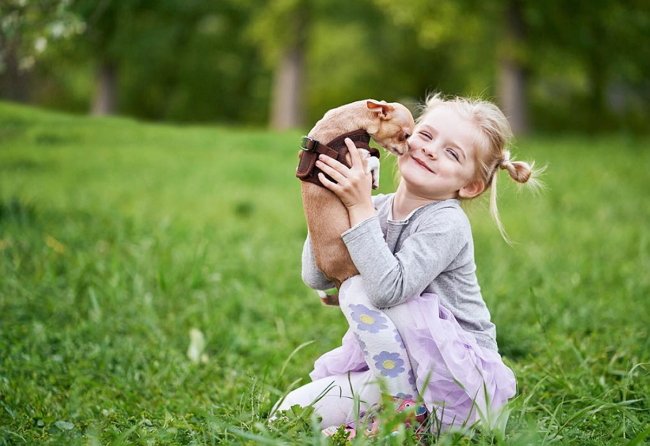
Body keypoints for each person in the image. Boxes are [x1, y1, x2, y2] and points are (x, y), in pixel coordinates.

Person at [272, 93, 538, 435]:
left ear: (470, 186)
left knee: (357, 289)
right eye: (426, 136)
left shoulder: (446, 222)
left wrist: (359, 208)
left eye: (452, 153)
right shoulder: (374, 209)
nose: (430, 150)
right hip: (401, 372)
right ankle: (389, 416)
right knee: (287, 413)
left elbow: (387, 290)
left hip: (459, 388)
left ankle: (406, 419)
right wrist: (333, 200)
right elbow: (317, 276)